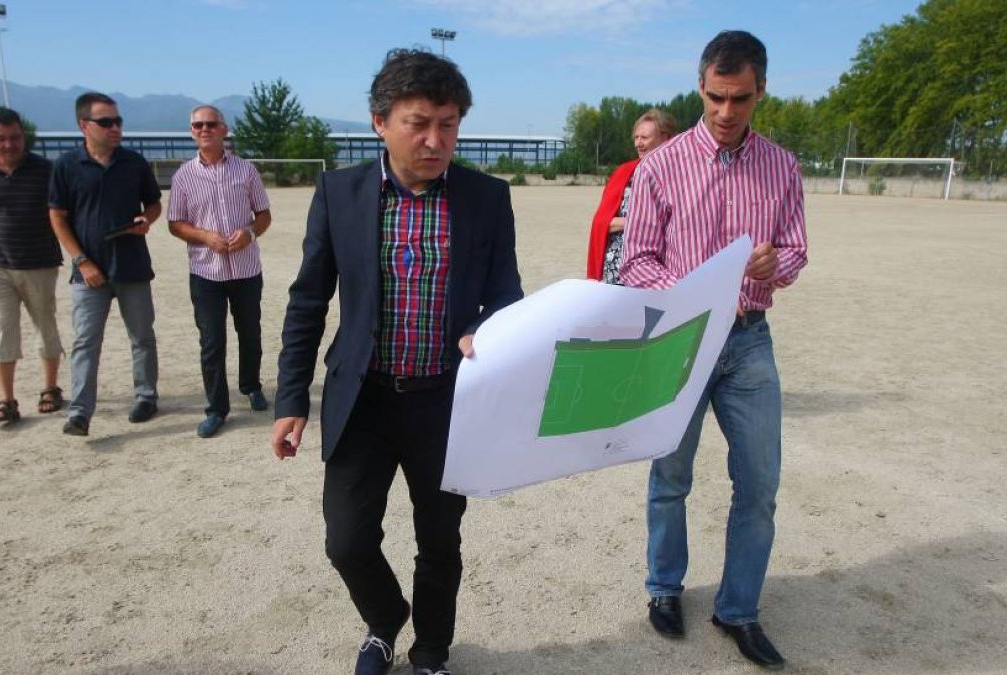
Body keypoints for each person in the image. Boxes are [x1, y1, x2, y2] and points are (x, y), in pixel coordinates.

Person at [271, 48, 523, 675]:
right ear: (379, 121)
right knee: (347, 540)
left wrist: (482, 328)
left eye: (449, 123)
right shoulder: (339, 193)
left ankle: (432, 651)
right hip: (366, 398)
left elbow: (507, 295)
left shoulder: (486, 198)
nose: (436, 140)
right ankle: (385, 619)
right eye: (419, 123)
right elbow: (308, 300)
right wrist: (291, 400)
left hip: (447, 401)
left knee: (440, 540)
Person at [620, 30, 808, 670]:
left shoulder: (782, 166)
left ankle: (738, 609)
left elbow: (798, 250)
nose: (727, 113)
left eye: (742, 99)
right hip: (680, 341)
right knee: (670, 477)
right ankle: (664, 589)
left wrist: (775, 261)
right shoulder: (659, 167)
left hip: (750, 342)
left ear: (761, 92)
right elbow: (636, 261)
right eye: (716, 97)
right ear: (700, 86)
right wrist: (684, 292)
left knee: (759, 484)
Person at [48, 92, 163, 437]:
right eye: (106, 122)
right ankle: (80, 412)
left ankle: (145, 396)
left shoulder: (134, 162)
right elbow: (57, 217)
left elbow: (154, 204)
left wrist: (146, 218)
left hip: (132, 265)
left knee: (142, 336)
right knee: (85, 341)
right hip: (88, 273)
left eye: (118, 121)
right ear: (84, 125)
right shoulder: (67, 166)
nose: (115, 128)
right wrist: (82, 261)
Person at [167, 105, 272, 438]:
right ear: (191, 131)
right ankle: (216, 408)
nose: (204, 129)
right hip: (205, 272)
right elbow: (175, 223)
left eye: (211, 124)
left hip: (245, 270)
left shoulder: (246, 171)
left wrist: (249, 233)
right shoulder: (183, 176)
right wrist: (204, 236)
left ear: (224, 129)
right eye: (198, 125)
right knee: (212, 341)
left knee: (250, 333)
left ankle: (251, 385)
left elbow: (264, 215)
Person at [0, 106, 64, 424]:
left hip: (40, 263)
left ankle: (50, 388)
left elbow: (59, 213)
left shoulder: (46, 170)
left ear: (24, 137)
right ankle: (6, 398)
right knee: (1, 330)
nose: (9, 144)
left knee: (45, 326)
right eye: (1, 138)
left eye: (15, 137)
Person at [585, 108, 677, 283]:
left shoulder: (679, 174)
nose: (638, 143)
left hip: (661, 272)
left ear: (665, 138)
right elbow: (602, 222)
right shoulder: (623, 173)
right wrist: (641, 224)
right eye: (636, 137)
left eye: (645, 137)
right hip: (616, 270)